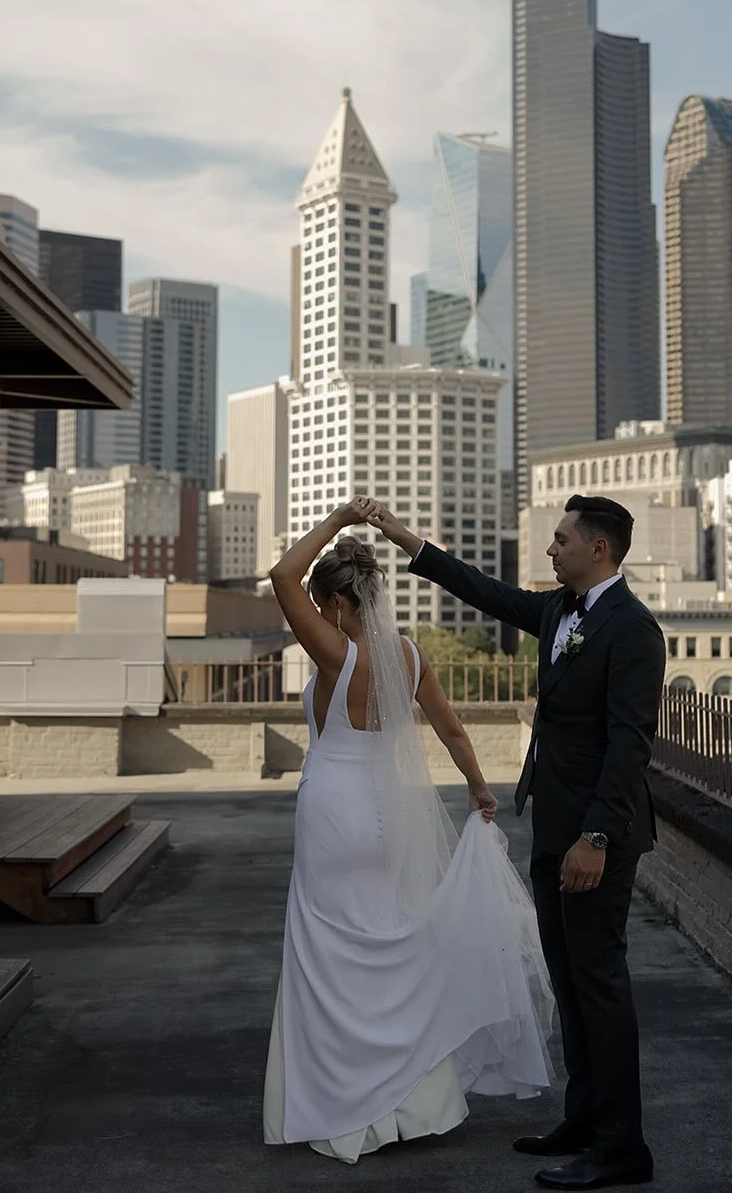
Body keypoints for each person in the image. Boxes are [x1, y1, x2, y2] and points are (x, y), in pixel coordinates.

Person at [370, 495, 666, 1191]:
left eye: (560, 540)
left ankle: (623, 1148)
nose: (549, 550)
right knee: (567, 978)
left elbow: (628, 746)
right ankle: (584, 1119)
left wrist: (594, 836)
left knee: (599, 984)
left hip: (595, 836)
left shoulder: (631, 629)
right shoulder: (561, 611)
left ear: (598, 548)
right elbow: (484, 590)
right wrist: (402, 537)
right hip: (552, 826)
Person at [262, 497, 554, 1165]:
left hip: (333, 815)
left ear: (336, 603)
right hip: (385, 819)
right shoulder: (409, 657)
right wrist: (479, 786)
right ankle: (412, 1104)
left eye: (319, 601)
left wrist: (336, 521)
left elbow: (281, 577)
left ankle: (341, 1108)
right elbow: (451, 730)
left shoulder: (337, 653)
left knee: (328, 958)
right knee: (391, 945)